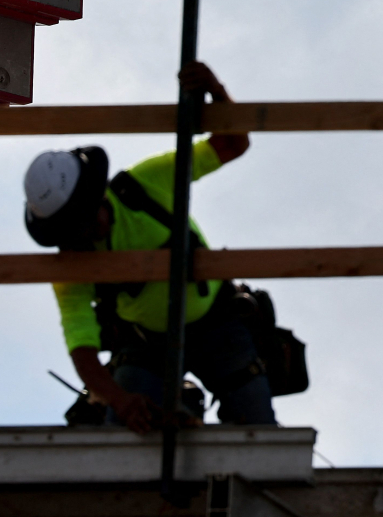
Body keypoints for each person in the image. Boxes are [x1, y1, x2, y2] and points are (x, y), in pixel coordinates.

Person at [23, 62, 275, 433]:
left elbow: (233, 144)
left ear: (95, 199)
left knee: (261, 436)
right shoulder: (72, 262)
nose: (78, 239)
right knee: (119, 446)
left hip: (219, 321)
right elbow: (82, 344)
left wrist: (216, 91)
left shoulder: (144, 185)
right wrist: (121, 401)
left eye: (80, 226)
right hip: (145, 344)